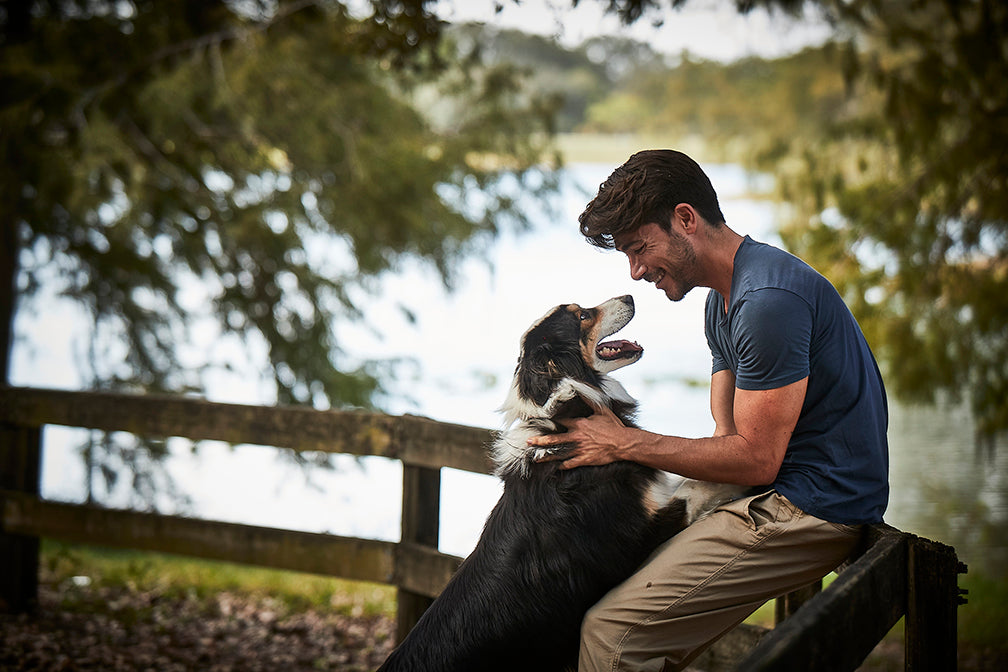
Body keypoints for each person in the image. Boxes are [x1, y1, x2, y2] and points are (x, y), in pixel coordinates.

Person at [528, 149, 889, 671]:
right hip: (774, 493)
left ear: (685, 219)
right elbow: (728, 431)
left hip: (811, 508)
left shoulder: (766, 302)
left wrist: (624, 442)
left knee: (613, 635)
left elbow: (754, 459)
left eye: (639, 248)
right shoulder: (723, 298)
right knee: (599, 589)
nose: (635, 271)